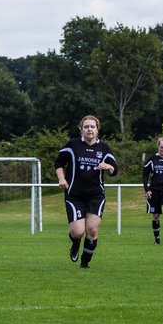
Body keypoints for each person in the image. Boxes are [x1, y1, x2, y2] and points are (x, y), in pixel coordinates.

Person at [56, 115, 118, 269]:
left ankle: (84, 263)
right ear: (81, 129)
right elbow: (59, 162)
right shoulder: (72, 145)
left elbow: (114, 170)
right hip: (74, 195)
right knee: (78, 232)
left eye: (92, 127)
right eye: (86, 127)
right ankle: (75, 243)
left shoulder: (104, 148)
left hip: (95, 195)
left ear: (97, 129)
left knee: (92, 229)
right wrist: (61, 178)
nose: (89, 129)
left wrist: (109, 167)